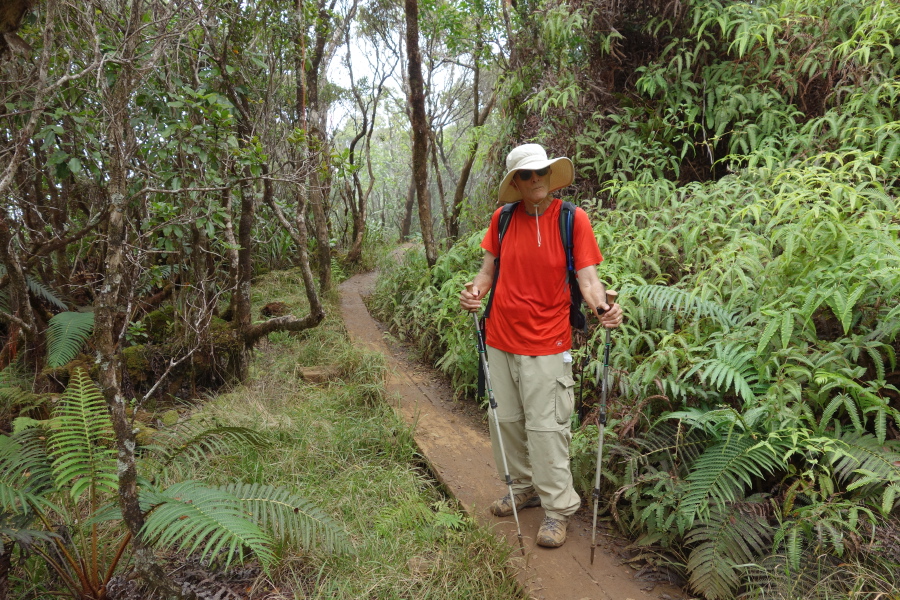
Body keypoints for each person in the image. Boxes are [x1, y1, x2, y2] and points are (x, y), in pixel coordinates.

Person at [459, 143, 623, 548]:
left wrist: (602, 307)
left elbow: (588, 278)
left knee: (547, 428)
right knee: (507, 423)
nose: (536, 180)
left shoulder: (572, 219)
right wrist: (474, 293)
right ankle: (522, 488)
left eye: (542, 173)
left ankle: (557, 509)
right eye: (527, 175)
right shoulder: (502, 219)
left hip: (547, 342)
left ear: (551, 176)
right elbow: (487, 272)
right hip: (499, 338)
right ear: (515, 182)